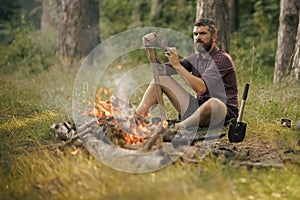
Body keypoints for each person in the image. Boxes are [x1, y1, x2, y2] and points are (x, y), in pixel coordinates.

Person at [136, 18, 238, 129]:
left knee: (215, 103)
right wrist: (150, 49)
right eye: (195, 34)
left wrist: (178, 66)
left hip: (221, 113)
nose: (198, 37)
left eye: (203, 33)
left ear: (214, 37)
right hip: (197, 109)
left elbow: (201, 89)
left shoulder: (222, 59)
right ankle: (136, 120)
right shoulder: (195, 58)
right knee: (161, 79)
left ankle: (179, 127)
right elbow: (159, 72)